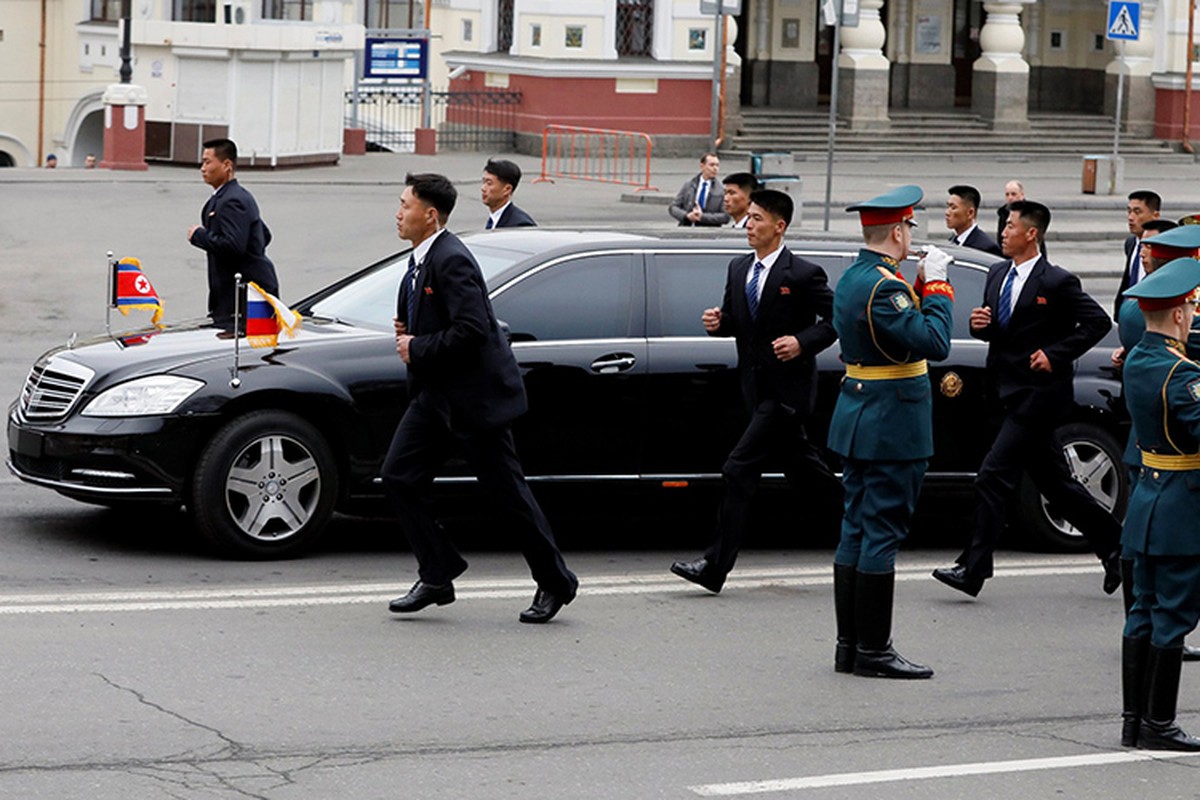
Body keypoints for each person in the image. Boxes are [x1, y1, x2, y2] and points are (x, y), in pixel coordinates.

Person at [383, 172, 578, 624]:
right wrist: (410, 332)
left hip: (475, 401)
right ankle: (439, 571)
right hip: (435, 397)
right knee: (398, 477)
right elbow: (434, 315)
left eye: (405, 204)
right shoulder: (420, 260)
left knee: (509, 496)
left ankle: (556, 582)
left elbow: (472, 330)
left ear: (430, 216)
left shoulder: (452, 259)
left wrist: (417, 346)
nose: (398, 212)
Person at [932, 200, 1122, 598]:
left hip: (1038, 398)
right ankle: (1116, 549)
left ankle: (973, 568)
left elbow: (1097, 322)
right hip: (1003, 392)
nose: (1003, 233)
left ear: (1031, 233)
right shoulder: (998, 273)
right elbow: (999, 332)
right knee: (1057, 485)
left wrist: (1056, 354)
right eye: (1003, 227)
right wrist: (979, 325)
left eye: (1010, 227)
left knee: (992, 475)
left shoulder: (1057, 282)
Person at [669, 189, 840, 593]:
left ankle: (714, 567)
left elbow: (836, 319)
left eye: (758, 218)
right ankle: (864, 529)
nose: (749, 224)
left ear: (779, 227)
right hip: (754, 389)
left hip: (786, 393)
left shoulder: (802, 274)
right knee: (807, 473)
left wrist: (802, 341)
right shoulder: (738, 267)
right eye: (748, 217)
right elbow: (740, 322)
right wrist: (719, 322)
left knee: (738, 469)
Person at [827, 185, 954, 679]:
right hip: (891, 423)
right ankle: (873, 651)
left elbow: (890, 342)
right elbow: (934, 342)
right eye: (908, 230)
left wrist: (916, 289)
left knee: (856, 530)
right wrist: (938, 287)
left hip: (860, 415)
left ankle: (850, 645)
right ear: (899, 231)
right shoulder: (886, 287)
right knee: (881, 532)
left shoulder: (857, 277)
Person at [1117, 256, 1200, 751]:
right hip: (1180, 507)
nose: (1192, 315)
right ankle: (1159, 723)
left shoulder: (1142, 361)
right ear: (1176, 315)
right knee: (1171, 615)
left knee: (1143, 612)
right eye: (1190, 307)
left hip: (1149, 498)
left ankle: (1136, 719)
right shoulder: (1181, 374)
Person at [186, 138, 278, 325]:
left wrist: (199, 235)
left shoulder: (232, 200)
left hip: (244, 298)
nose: (202, 168)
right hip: (233, 295)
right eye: (202, 162)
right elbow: (263, 234)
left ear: (227, 165)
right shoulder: (228, 196)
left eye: (207, 162)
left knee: (245, 350)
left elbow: (234, 244)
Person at [1115, 190, 1163, 317]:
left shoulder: (1162, 250)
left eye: (1137, 212)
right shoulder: (1131, 244)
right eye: (1129, 211)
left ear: (1155, 216)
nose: (1131, 217)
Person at [669, 152, 729, 227]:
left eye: (717, 165)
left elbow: (726, 217)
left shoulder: (721, 190)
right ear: (702, 166)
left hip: (709, 232)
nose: (715, 168)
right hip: (687, 228)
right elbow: (673, 207)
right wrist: (686, 216)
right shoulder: (689, 185)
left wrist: (702, 217)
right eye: (711, 165)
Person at [946, 184, 1002, 256]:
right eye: (948, 207)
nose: (947, 212)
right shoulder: (953, 241)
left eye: (953, 208)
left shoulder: (985, 248)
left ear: (970, 213)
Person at [481, 158, 536, 229]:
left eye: (489, 183)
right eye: (484, 182)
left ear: (507, 189)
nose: (483, 188)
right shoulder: (495, 219)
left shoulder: (519, 225)